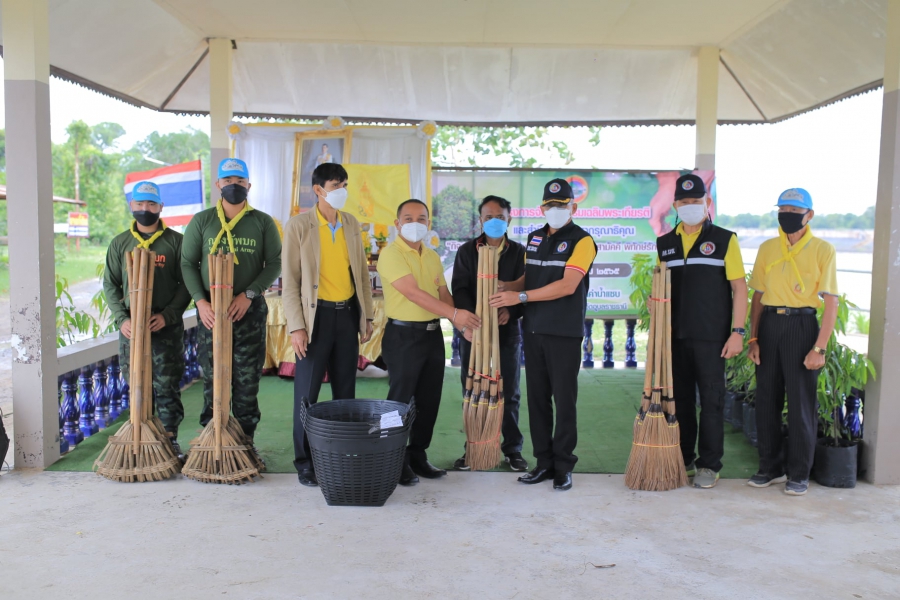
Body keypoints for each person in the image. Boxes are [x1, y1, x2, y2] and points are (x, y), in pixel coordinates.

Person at [490, 179, 597, 491]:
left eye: (562, 205)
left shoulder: (583, 241)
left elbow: (567, 285)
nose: (556, 210)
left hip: (564, 332)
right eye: (550, 205)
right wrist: (506, 288)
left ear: (573, 207)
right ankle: (543, 462)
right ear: (542, 208)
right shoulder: (534, 238)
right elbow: (529, 278)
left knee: (564, 401)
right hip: (533, 331)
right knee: (537, 400)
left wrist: (519, 299)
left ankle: (563, 465)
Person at [181, 158, 282, 464]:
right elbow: (187, 264)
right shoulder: (202, 221)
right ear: (218, 185)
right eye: (228, 182)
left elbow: (274, 263)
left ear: (248, 186)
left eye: (240, 182)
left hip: (248, 313)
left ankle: (245, 443)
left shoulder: (263, 222)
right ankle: (211, 441)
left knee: (247, 379)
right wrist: (201, 301)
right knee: (214, 378)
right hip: (211, 313)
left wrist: (249, 295)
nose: (234, 186)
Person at [282, 163, 375, 487]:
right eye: (337, 184)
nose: (342, 190)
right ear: (318, 189)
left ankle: (339, 455)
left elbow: (361, 274)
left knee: (345, 393)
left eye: (345, 184)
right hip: (314, 318)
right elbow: (290, 283)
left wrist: (367, 316)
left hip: (347, 316)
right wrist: (296, 327)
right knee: (306, 395)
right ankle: (305, 461)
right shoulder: (299, 226)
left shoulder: (351, 223)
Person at [376, 199, 481, 486]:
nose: (415, 223)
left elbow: (442, 295)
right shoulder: (391, 254)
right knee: (399, 401)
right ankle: (391, 458)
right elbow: (413, 293)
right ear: (397, 223)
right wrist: (456, 313)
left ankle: (417, 454)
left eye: (421, 218)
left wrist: (460, 326)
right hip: (403, 336)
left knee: (428, 400)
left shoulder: (432, 256)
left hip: (432, 335)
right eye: (408, 217)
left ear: (429, 224)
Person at [656, 174, 748, 489]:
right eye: (685, 202)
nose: (691, 207)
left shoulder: (724, 239)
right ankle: (684, 459)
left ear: (707, 203)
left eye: (697, 201)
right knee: (680, 402)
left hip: (713, 338)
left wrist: (738, 331)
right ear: (676, 206)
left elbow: (740, 288)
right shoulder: (664, 244)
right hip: (675, 337)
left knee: (711, 400)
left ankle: (710, 465)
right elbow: (660, 290)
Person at [747, 188, 838, 496]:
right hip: (770, 325)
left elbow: (831, 302)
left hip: (803, 326)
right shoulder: (767, 248)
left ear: (809, 214)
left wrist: (820, 347)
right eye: (782, 208)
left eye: (794, 209)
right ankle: (769, 468)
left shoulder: (823, 250)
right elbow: (757, 296)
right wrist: (754, 337)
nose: (787, 214)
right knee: (766, 400)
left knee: (801, 403)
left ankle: (798, 473)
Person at [103, 181, 192, 454]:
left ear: (161, 207)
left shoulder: (176, 242)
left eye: (151, 204)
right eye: (140, 204)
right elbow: (110, 285)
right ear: (132, 206)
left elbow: (186, 284)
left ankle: (169, 438)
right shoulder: (120, 243)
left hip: (164, 327)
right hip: (132, 326)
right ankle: (140, 437)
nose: (145, 209)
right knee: (137, 384)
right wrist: (122, 319)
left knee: (166, 384)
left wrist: (168, 315)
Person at [451, 195, 528, 472]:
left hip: (507, 332)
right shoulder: (467, 251)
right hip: (474, 331)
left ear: (509, 218)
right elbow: (459, 289)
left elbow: (525, 293)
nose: (493, 221)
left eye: (499, 216)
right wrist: (469, 320)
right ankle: (474, 446)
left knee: (510, 391)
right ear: (480, 220)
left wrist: (512, 312)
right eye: (487, 216)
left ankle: (512, 449)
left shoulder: (520, 252)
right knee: (472, 389)